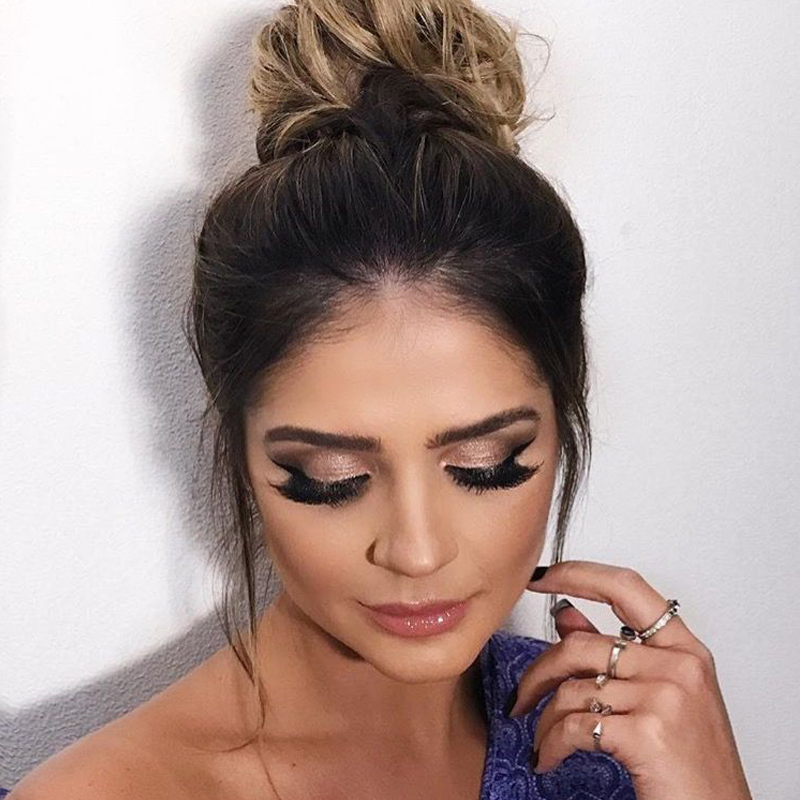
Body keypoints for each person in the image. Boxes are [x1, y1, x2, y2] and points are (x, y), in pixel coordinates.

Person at [6, 1, 753, 798]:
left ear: (562, 420)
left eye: (486, 464)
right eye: (332, 477)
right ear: (240, 451)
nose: (417, 551)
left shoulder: (631, 745)